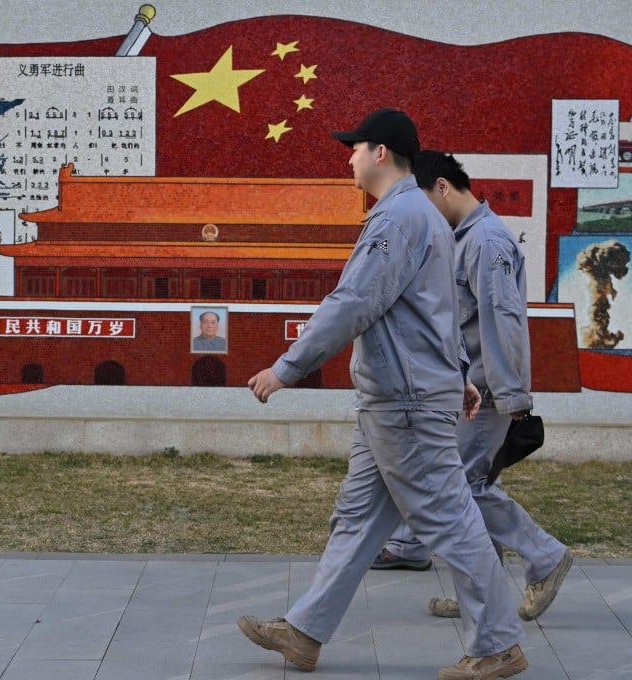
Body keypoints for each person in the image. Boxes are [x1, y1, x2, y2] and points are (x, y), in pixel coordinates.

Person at [238, 109, 527, 680]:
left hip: (406, 402)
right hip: (401, 396)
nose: (347, 157)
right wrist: (459, 373)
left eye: (354, 147)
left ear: (380, 153)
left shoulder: (397, 218)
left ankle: (497, 644)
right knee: (358, 519)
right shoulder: (423, 216)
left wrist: (286, 368)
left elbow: (354, 302)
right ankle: (305, 633)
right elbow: (440, 309)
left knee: (447, 517)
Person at [374, 151, 573, 622]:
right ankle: (484, 595)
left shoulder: (486, 241)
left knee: (461, 489)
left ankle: (544, 556)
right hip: (470, 389)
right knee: (467, 488)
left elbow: (503, 322)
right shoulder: (462, 238)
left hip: (486, 392)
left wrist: (512, 396)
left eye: (422, 200)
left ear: (443, 187)